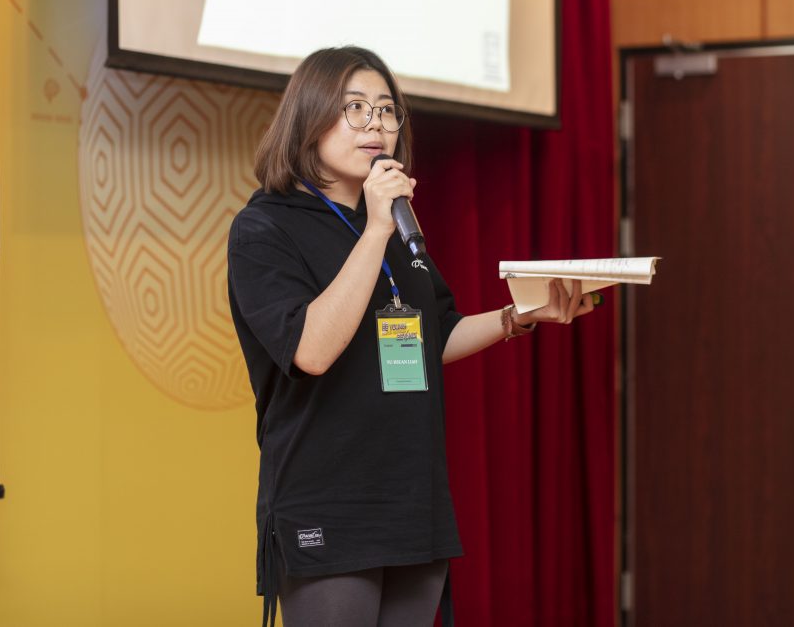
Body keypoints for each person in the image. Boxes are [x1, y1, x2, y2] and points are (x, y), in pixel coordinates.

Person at [227, 46, 594, 627]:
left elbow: (434, 336)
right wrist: (376, 229)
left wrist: (519, 315)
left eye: (386, 110)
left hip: (410, 501)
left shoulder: (396, 229)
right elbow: (310, 351)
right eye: (354, 108)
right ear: (308, 117)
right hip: (327, 502)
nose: (375, 124)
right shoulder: (266, 227)